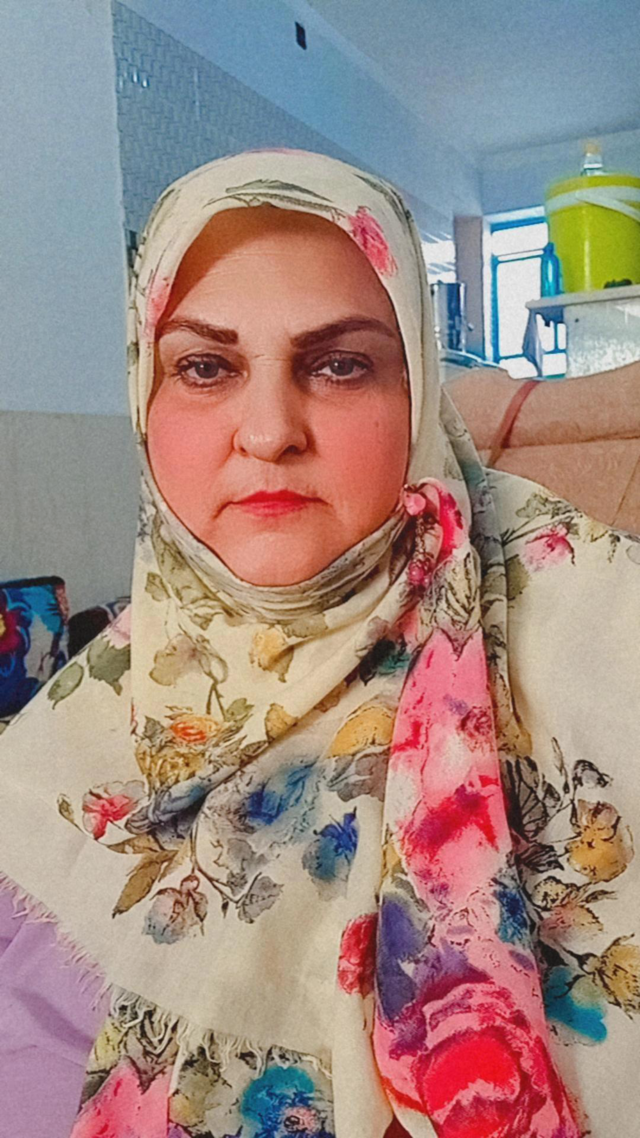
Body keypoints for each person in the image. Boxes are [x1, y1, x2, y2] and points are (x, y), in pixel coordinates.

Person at [1, 149, 639, 1138]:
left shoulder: (588, 620)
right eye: (205, 367)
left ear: (416, 394)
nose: (268, 431)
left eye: (339, 364)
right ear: (142, 397)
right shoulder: (80, 721)